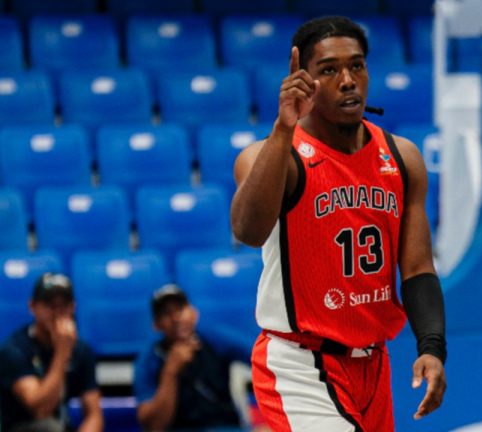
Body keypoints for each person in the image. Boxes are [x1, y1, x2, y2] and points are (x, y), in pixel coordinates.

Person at [230, 16, 447, 431]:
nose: (348, 80)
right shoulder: (273, 157)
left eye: (357, 66)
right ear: (302, 81)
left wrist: (432, 346)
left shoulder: (402, 158)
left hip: (373, 363)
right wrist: (282, 129)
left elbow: (418, 268)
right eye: (329, 70)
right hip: (300, 363)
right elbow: (247, 231)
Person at [133, 284, 265, 432]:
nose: (175, 318)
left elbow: (262, 358)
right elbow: (154, 427)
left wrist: (267, 424)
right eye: (165, 313)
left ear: (194, 313)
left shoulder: (214, 339)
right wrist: (170, 371)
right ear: (156, 325)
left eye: (180, 309)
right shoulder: (149, 358)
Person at [0, 272, 103, 432]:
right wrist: (62, 353)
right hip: (22, 426)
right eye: (50, 305)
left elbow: (93, 414)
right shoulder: (14, 349)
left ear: (73, 307)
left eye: (64, 305)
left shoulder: (81, 350)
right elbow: (40, 409)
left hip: (60, 426)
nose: (57, 312)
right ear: (32, 306)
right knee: (49, 427)